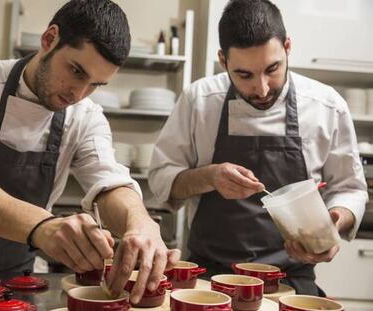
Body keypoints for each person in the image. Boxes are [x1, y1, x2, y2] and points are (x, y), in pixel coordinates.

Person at [0, 0, 180, 304]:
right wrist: (44, 227)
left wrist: (139, 222)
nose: (78, 94)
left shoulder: (84, 116)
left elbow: (109, 181)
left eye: (95, 85)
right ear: (49, 39)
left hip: (15, 284)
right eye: (76, 70)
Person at [148, 0, 367, 296]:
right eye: (245, 75)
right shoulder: (199, 100)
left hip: (290, 278)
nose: (262, 89)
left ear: (288, 47)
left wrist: (334, 222)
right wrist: (209, 177)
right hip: (210, 276)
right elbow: (161, 179)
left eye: (272, 69)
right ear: (223, 60)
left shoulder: (326, 106)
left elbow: (350, 189)